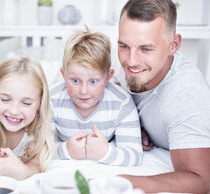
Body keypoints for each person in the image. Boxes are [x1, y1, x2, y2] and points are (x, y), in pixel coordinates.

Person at [117, 0, 210, 194]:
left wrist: (124, 182)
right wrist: (132, 123)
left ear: (174, 45)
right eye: (123, 46)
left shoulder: (188, 94)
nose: (131, 61)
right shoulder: (122, 62)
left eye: (146, 49)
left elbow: (200, 181)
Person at [50, 27, 143, 166]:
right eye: (75, 80)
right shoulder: (51, 99)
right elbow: (36, 149)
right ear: (63, 75)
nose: (83, 90)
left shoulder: (121, 103)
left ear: (108, 77)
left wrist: (105, 153)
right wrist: (66, 150)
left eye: (93, 81)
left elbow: (135, 156)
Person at [0, 56, 54, 180]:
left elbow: (36, 164)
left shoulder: (38, 125)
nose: (14, 111)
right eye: (5, 99)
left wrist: (22, 171)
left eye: (26, 103)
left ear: (40, 103)